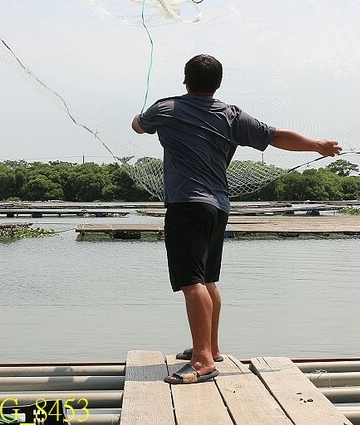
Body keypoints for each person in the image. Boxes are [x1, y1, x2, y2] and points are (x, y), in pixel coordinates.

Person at [131, 54, 340, 385]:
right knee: (208, 279)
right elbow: (275, 136)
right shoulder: (231, 115)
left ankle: (202, 361)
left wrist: (146, 118)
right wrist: (317, 145)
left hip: (187, 204)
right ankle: (211, 348)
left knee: (191, 281)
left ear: (185, 80)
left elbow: (138, 125)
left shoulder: (166, 108)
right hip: (219, 208)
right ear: (218, 84)